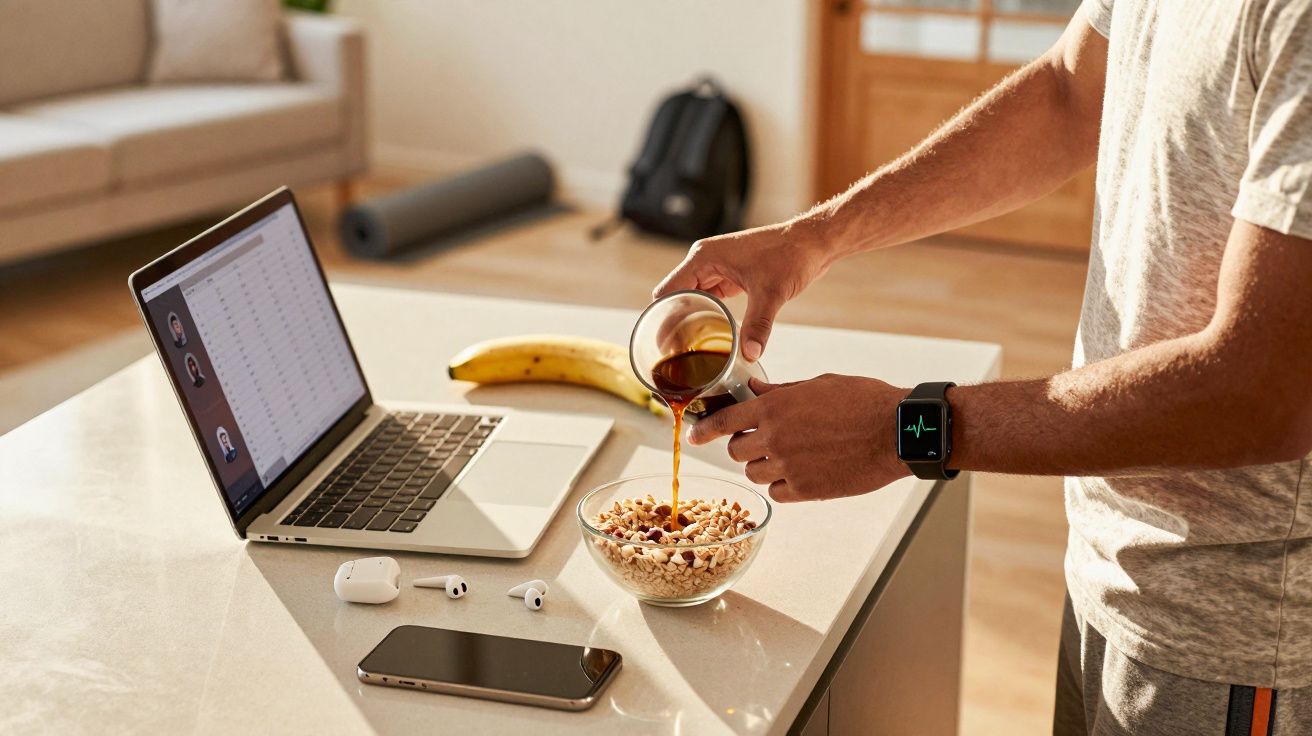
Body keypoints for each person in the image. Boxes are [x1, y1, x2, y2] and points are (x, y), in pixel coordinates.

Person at [653, 1, 1312, 733]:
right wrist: (815, 237)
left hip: (1239, 620)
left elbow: (1263, 392)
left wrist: (905, 429)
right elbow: (1068, 90)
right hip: (1117, 554)